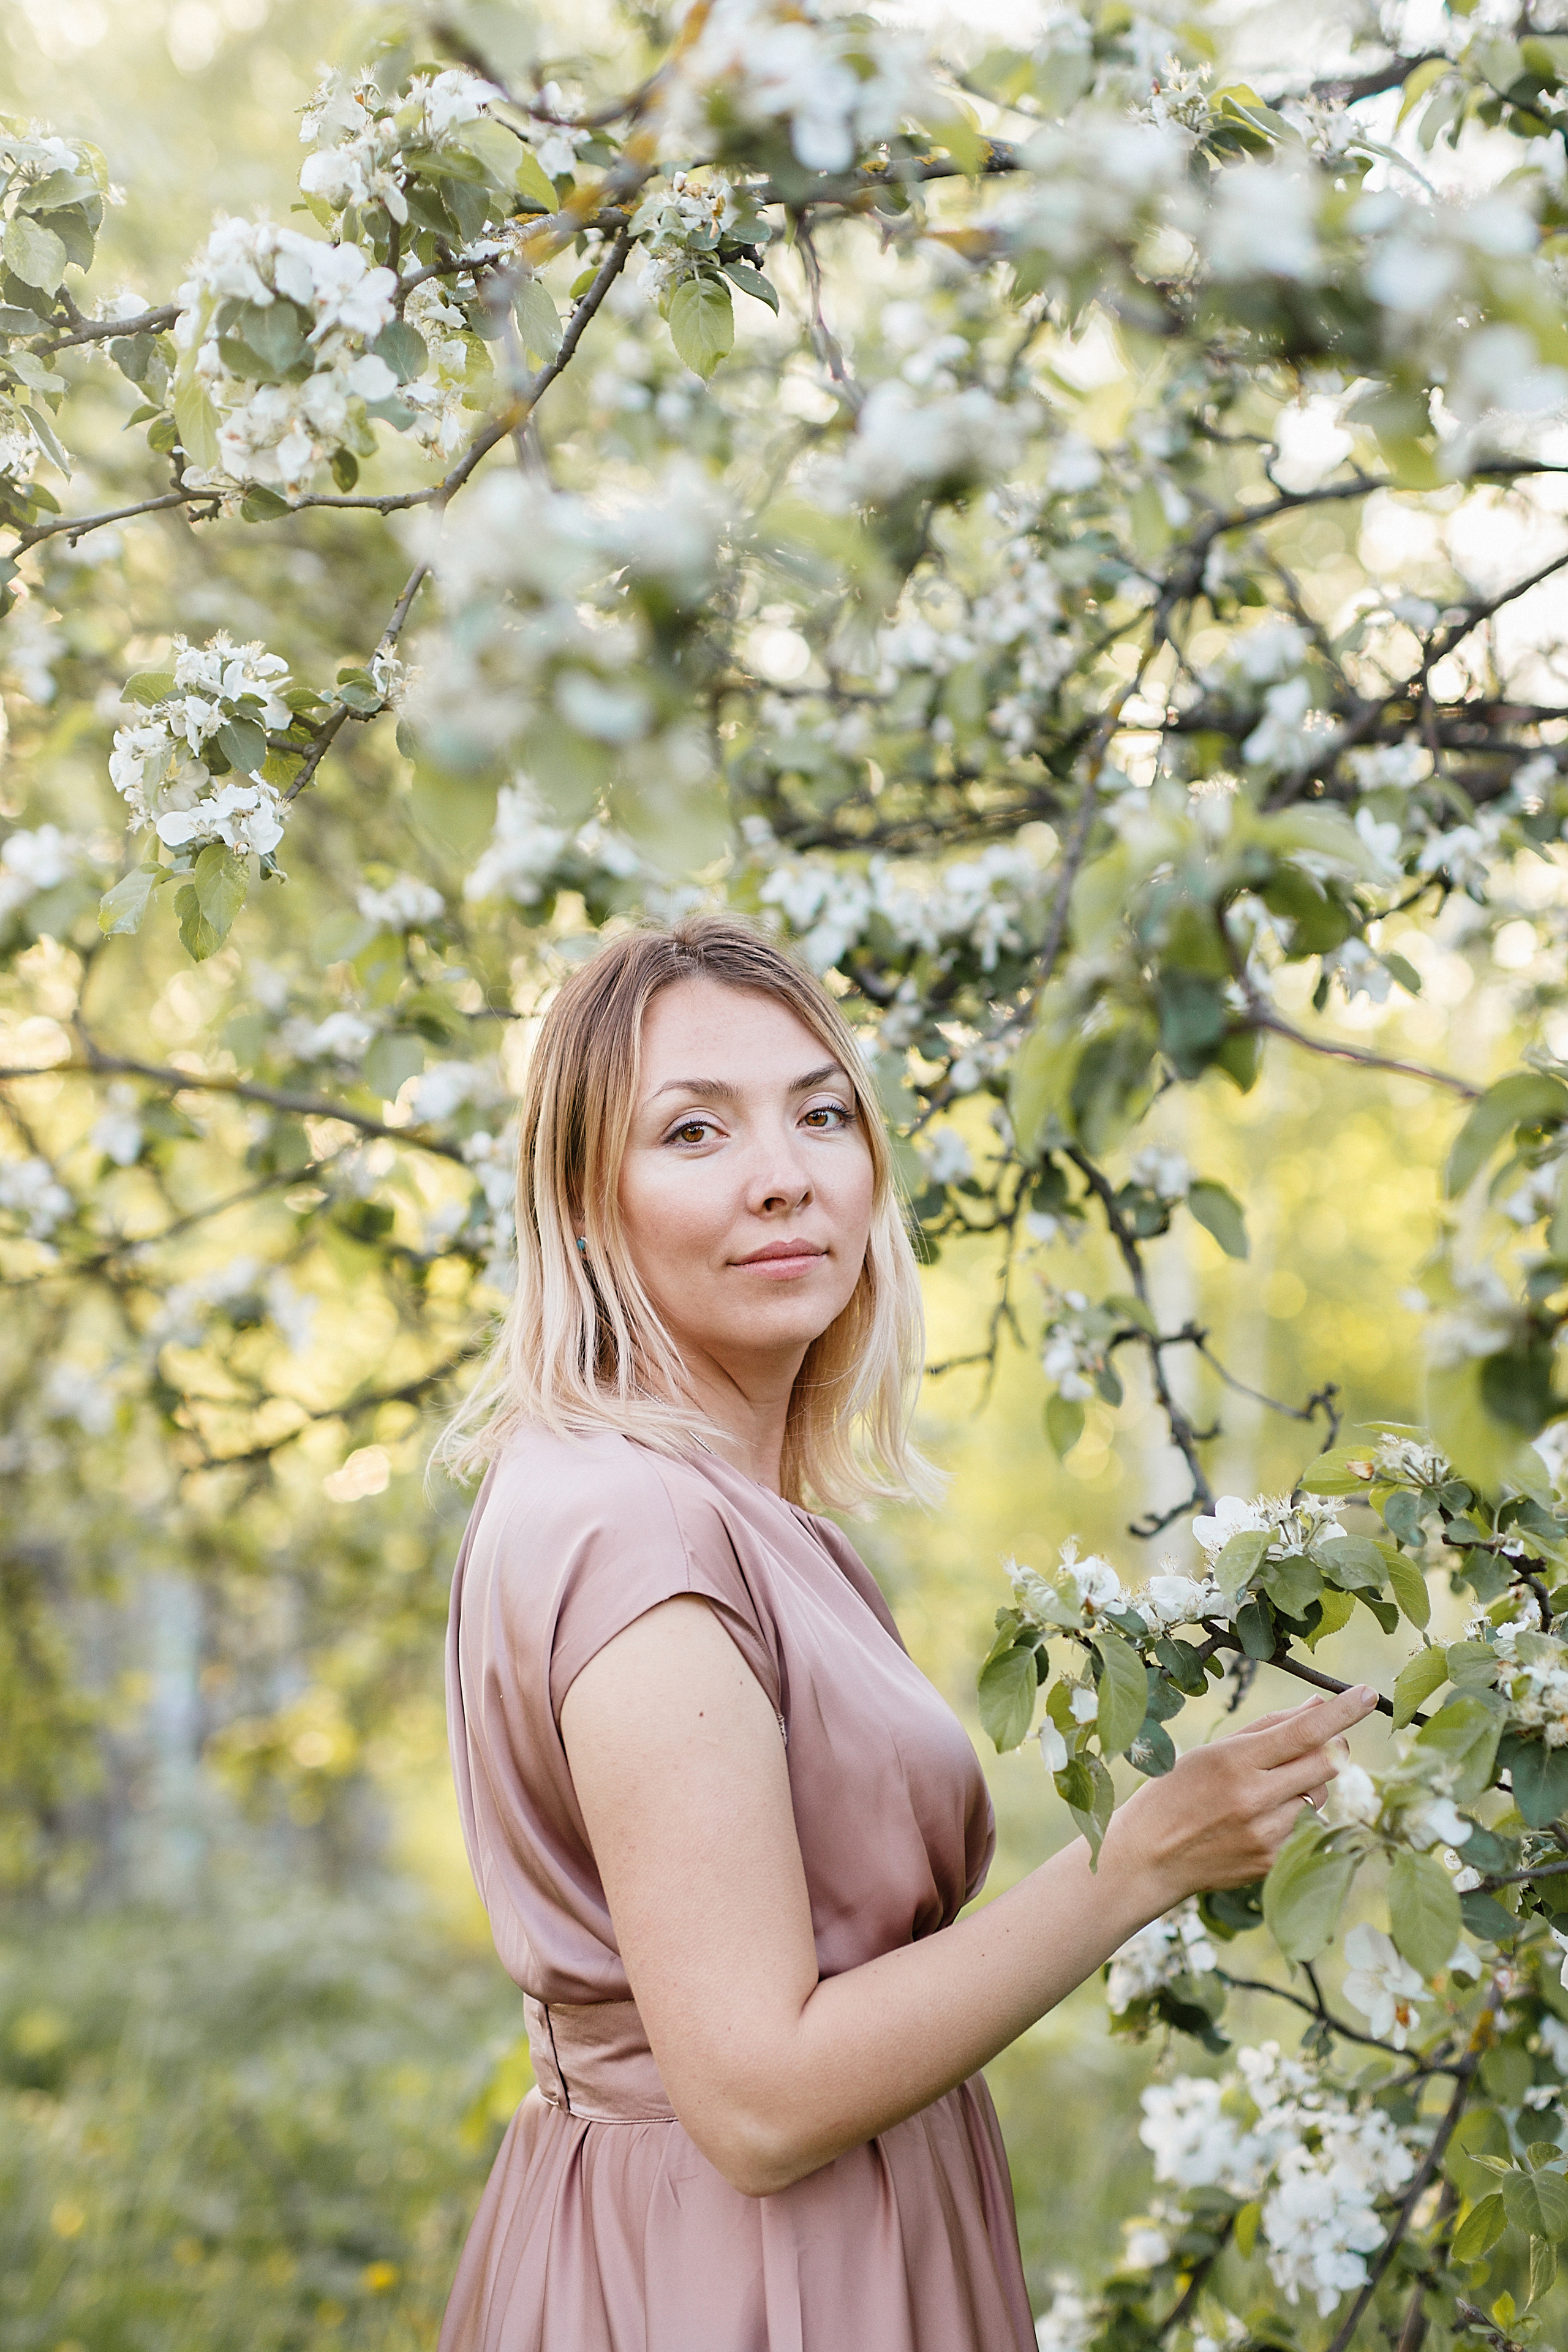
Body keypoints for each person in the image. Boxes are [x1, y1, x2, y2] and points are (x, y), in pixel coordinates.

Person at [435, 913, 1373, 2352]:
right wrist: (1143, 1857)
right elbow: (756, 2103)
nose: (783, 1178)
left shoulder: (707, 1503)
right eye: (693, 1132)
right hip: (734, 2276)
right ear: (577, 1203)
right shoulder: (641, 1536)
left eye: (820, 1114)